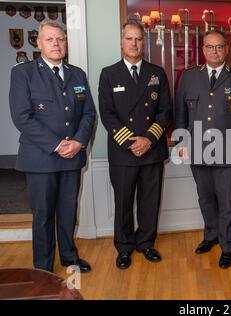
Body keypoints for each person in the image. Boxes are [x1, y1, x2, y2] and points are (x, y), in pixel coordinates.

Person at [9, 20, 96, 273]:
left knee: (68, 211)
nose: (56, 44)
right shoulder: (23, 73)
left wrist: (78, 142)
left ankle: (69, 257)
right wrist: (58, 145)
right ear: (39, 42)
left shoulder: (77, 74)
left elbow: (89, 113)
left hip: (72, 156)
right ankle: (43, 269)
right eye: (50, 39)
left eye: (61, 39)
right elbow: (22, 117)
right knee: (44, 215)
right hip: (41, 158)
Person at [174, 29, 231, 269]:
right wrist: (181, 142)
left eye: (219, 46)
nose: (214, 51)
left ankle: (228, 246)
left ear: (227, 48)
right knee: (206, 199)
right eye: (210, 47)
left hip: (229, 151)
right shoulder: (189, 77)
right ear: (203, 49)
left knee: (228, 202)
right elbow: (180, 113)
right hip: (198, 150)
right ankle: (211, 236)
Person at [98, 21, 171, 270]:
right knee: (124, 202)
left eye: (139, 39)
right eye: (129, 38)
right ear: (121, 42)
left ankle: (146, 243)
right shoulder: (109, 74)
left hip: (151, 150)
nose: (134, 43)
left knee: (150, 201)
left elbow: (165, 111)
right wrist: (132, 142)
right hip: (123, 152)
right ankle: (124, 247)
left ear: (144, 42)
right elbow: (107, 114)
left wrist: (148, 139)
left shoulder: (157, 73)